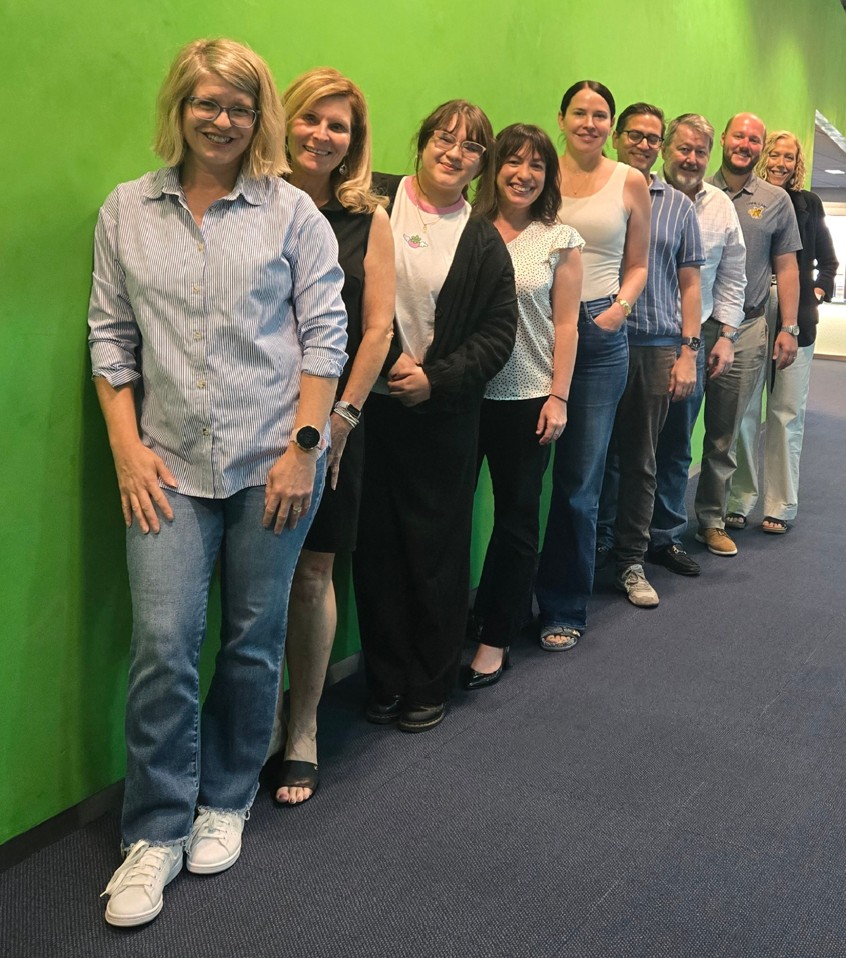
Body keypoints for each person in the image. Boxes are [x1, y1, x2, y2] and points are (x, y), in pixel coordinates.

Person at [89, 39, 347, 926]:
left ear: (260, 116)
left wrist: (305, 446)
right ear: (181, 107)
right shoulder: (126, 210)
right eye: (208, 103)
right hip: (164, 465)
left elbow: (325, 336)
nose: (224, 120)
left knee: (251, 639)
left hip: (273, 464)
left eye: (241, 106)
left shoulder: (293, 214)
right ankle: (155, 830)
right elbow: (110, 339)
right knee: (163, 643)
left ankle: (226, 799)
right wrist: (126, 450)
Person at [352, 100, 518, 731]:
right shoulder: (374, 202)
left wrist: (435, 379)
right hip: (367, 410)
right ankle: (385, 678)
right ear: (421, 143)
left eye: (471, 147)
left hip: (444, 416)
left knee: (437, 554)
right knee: (376, 550)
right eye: (444, 139)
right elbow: (343, 288)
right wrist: (387, 359)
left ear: (481, 164)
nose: (455, 153)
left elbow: (498, 334)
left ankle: (428, 681)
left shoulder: (483, 239)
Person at [267, 68, 395, 807]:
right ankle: (257, 720)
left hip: (335, 424)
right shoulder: (255, 202)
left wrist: (342, 418)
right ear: (285, 121)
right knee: (254, 579)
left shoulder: (367, 219)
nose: (322, 134)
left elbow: (377, 328)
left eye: (338, 125)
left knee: (314, 572)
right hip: (254, 418)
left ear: (354, 140)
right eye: (310, 118)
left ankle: (304, 726)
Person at [464, 124, 583, 689]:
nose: (524, 174)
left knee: (515, 521)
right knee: (450, 518)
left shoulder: (560, 239)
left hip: (528, 396)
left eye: (537, 165)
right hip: (462, 395)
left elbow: (566, 325)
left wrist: (559, 395)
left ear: (548, 176)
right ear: (494, 167)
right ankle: (458, 620)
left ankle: (496, 638)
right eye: (513, 161)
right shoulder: (465, 226)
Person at [534, 80, 651, 649]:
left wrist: (617, 311)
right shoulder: (537, 171)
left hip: (598, 336)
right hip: (532, 330)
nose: (589, 122)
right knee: (521, 480)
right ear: (561, 118)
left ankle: (563, 607)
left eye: (600, 114)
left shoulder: (630, 181)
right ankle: (505, 603)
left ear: (611, 125)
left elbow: (639, 264)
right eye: (579, 112)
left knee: (579, 484)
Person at [597, 103, 703, 608]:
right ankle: (594, 547)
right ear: (616, 137)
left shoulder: (678, 205)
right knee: (593, 459)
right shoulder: (595, 191)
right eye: (634, 135)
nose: (643, 144)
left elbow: (690, 284)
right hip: (595, 343)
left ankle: (630, 559)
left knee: (641, 460)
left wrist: (688, 352)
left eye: (652, 138)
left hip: (654, 346)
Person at [694, 113, 801, 556]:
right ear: (724, 138)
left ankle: (711, 519)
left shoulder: (776, 200)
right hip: (690, 328)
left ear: (761, 146)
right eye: (739, 135)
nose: (745, 144)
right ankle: (655, 526)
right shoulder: (697, 189)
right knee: (669, 434)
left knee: (726, 433)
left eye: (754, 139)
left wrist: (789, 326)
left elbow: (787, 266)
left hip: (748, 328)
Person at [648, 113, 747, 576]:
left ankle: (664, 537)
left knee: (675, 446)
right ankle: (612, 536)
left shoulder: (720, 206)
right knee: (624, 447)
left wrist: (726, 336)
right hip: (640, 338)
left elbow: (732, 276)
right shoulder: (639, 191)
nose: (691, 158)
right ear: (667, 148)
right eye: (683, 148)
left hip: (693, 338)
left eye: (700, 152)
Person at [725, 130, 838, 533]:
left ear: (796, 164)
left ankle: (780, 504)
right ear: (763, 157)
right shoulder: (744, 200)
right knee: (744, 412)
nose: (780, 163)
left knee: (787, 411)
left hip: (796, 317)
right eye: (774, 154)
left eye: (789, 157)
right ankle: (740, 499)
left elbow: (828, 262)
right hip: (751, 312)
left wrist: (816, 293)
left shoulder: (808, 204)